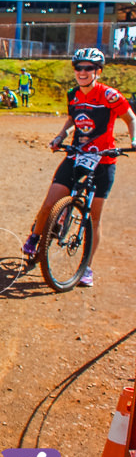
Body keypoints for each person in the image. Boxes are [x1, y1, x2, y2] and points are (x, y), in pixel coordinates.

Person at [20, 47, 136, 287]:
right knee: (50, 202)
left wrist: (134, 140)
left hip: (103, 160)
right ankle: (35, 237)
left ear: (98, 72)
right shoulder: (73, 94)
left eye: (88, 68)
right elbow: (74, 118)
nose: (82, 72)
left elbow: (131, 118)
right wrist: (60, 135)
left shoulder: (110, 95)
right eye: (78, 68)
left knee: (94, 218)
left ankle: (87, 267)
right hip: (77, 155)